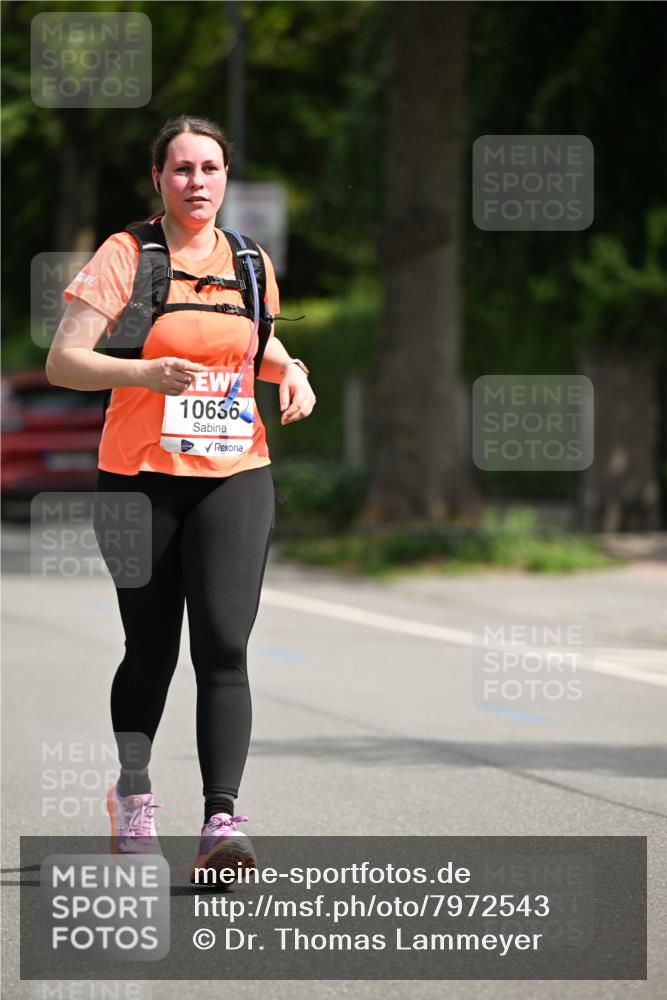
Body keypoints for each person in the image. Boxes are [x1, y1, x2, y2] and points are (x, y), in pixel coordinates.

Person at [45, 114, 316, 880]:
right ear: (158, 179)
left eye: (210, 168)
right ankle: (133, 796)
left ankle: (220, 822)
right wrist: (144, 374)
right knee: (152, 648)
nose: (197, 182)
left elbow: (253, 342)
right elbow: (64, 361)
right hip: (139, 480)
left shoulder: (249, 260)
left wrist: (292, 371)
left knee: (224, 645)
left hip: (236, 470)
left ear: (226, 177)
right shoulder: (127, 255)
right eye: (182, 169)